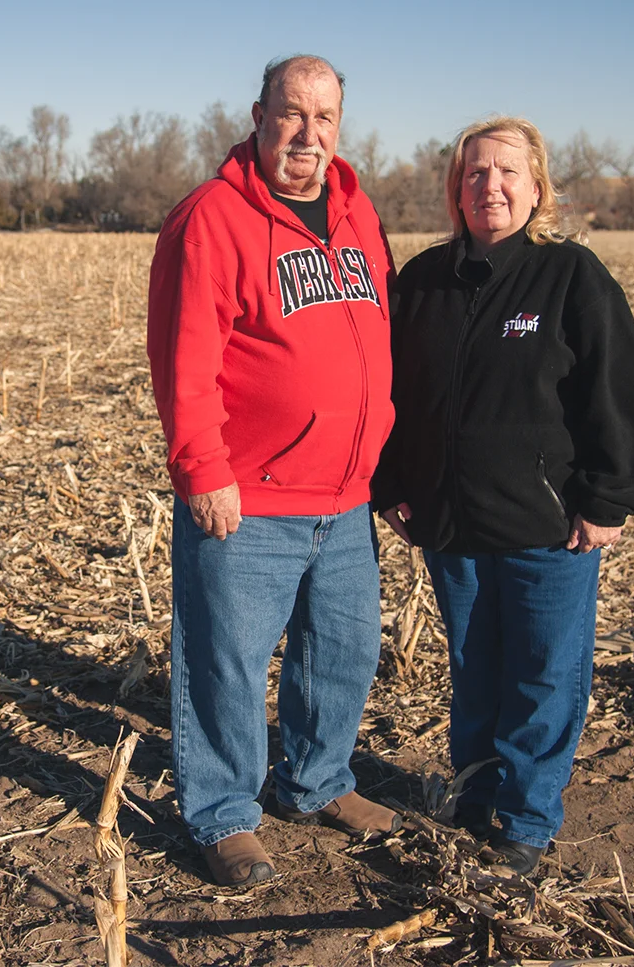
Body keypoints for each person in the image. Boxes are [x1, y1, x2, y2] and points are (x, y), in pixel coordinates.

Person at [372, 116, 634, 875]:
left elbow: (618, 395)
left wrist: (607, 500)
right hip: (450, 522)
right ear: (454, 190)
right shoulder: (424, 280)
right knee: (473, 667)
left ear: (535, 187)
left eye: (505, 172)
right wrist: (395, 485)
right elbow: (390, 393)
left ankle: (526, 821)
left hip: (546, 525)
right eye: (473, 173)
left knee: (541, 674)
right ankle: (471, 795)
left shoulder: (571, 276)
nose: (488, 186)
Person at [147, 55, 400, 887]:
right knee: (224, 660)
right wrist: (201, 467)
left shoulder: (360, 215)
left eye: (323, 117)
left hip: (345, 496)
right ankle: (222, 814)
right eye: (290, 114)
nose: (307, 133)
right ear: (257, 115)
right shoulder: (212, 218)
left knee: (342, 653)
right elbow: (185, 357)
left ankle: (316, 781)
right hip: (247, 497)